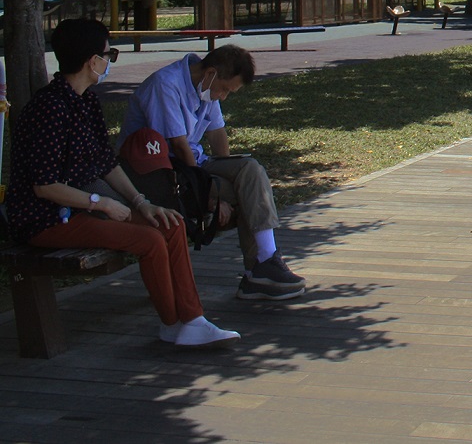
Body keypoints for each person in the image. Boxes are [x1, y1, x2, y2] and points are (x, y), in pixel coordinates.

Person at [8, 19, 239, 347]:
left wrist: (141, 202)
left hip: (81, 207)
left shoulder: (86, 101)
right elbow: (44, 186)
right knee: (150, 240)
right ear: (92, 61)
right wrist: (101, 203)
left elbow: (106, 163)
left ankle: (192, 319)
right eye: (109, 55)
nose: (110, 61)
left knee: (170, 223)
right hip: (47, 219)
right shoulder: (49, 108)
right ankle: (172, 323)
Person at [123, 44, 306, 301]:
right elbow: (178, 145)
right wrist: (209, 193)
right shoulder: (165, 85)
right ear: (210, 73)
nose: (224, 97)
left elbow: (217, 133)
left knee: (250, 171)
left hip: (193, 165)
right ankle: (257, 272)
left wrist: (227, 173)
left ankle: (265, 261)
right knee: (247, 193)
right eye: (225, 89)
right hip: (161, 173)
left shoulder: (207, 87)